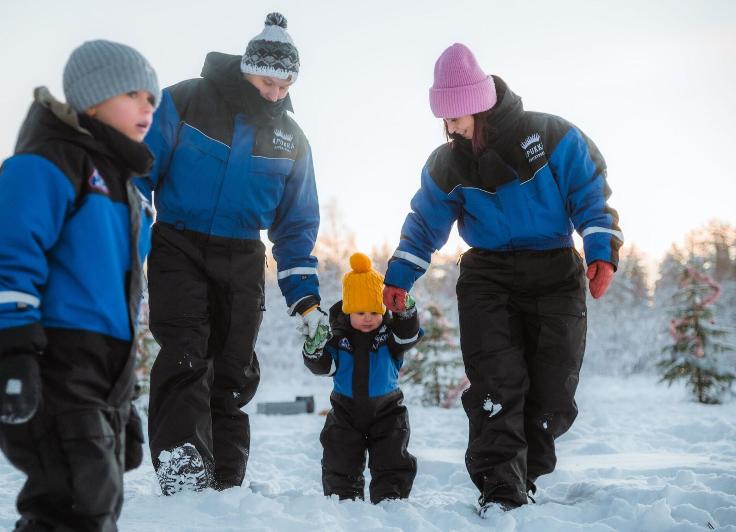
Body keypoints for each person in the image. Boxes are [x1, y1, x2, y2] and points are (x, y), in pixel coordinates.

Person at [382, 43, 623, 515]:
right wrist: (400, 275)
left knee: (553, 390)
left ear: (477, 105)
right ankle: (501, 489)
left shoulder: (551, 136)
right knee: (496, 383)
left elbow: (590, 192)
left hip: (554, 270)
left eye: (455, 117)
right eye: (444, 119)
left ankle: (525, 475)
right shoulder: (448, 163)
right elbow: (425, 222)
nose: (450, 126)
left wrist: (601, 251)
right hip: (488, 276)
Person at [0, 40, 160, 531]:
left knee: (91, 503)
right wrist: (12, 351)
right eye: (133, 94)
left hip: (103, 373)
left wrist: (124, 400)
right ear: (92, 99)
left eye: (152, 99)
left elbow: (123, 295)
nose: (147, 107)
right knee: (76, 503)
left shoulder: (127, 192)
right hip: (52, 359)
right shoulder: (48, 165)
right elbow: (8, 253)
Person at [139, 12, 325, 495]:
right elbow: (138, 175)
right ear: (248, 70)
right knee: (186, 351)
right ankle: (183, 466)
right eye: (268, 83)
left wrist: (305, 300)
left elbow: (296, 226)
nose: (276, 94)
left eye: (285, 86)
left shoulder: (292, 140)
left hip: (242, 255)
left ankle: (224, 478)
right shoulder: (185, 101)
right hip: (179, 243)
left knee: (233, 365)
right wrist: (123, 248)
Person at [303, 253, 421, 503]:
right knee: (339, 455)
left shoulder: (390, 336)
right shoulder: (337, 339)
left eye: (374, 311)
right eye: (360, 312)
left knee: (392, 456)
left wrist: (406, 313)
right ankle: (343, 498)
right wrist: (314, 351)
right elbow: (324, 367)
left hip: (387, 409)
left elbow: (407, 336)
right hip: (345, 411)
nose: (368, 317)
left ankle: (391, 499)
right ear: (348, 311)